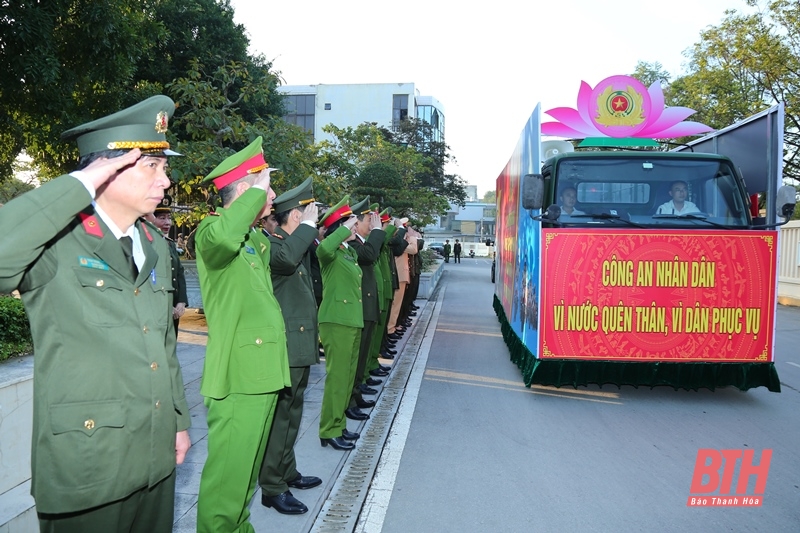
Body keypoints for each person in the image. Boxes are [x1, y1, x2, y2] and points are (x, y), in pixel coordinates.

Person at [0, 95, 191, 532]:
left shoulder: (155, 244)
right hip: (90, 462)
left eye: (165, 167)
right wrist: (79, 184)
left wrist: (177, 422)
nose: (167, 180)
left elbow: (164, 344)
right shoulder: (57, 241)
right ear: (109, 168)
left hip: (154, 453)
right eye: (153, 166)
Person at [194, 137, 291, 533]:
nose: (272, 196)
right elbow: (221, 239)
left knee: (246, 477)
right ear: (244, 190)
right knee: (226, 484)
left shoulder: (252, 240)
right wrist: (253, 196)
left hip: (262, 372)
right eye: (266, 188)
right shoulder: (211, 232)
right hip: (238, 377)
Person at [258, 177, 323, 515]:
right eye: (307, 213)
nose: (313, 219)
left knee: (293, 412)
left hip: (298, 340)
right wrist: (306, 228)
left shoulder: (292, 243)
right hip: (286, 342)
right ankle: (272, 486)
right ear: (294, 217)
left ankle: (286, 471)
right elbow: (284, 261)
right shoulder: (275, 244)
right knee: (282, 416)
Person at [317, 195, 363, 451]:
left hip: (350, 320)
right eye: (350, 225)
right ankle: (328, 429)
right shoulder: (330, 252)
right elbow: (323, 247)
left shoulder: (347, 252)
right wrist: (345, 229)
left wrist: (348, 232)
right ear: (339, 228)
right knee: (337, 378)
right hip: (336, 320)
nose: (355, 228)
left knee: (347, 377)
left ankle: (339, 423)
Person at [345, 197, 386, 422]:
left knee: (361, 357)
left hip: (367, 305)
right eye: (369, 220)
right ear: (357, 222)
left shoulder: (360, 242)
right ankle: (350, 398)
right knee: (356, 358)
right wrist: (379, 232)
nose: (372, 223)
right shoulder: (352, 244)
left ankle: (356, 392)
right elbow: (369, 255)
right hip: (359, 307)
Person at [153, 194, 187, 333]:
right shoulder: (148, 243)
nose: (167, 222)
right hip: (157, 307)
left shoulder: (170, 244)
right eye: (162, 218)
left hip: (174, 309)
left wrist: (181, 302)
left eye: (169, 218)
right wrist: (167, 305)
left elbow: (179, 273)